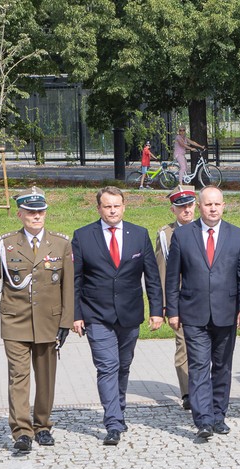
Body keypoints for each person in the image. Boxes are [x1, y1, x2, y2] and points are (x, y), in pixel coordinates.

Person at [0, 188, 73, 453]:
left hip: (49, 322)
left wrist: (66, 322)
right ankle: (22, 432)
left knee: (46, 377)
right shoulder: (6, 244)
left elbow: (68, 286)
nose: (36, 216)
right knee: (19, 377)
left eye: (40, 211)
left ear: (46, 212)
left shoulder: (61, 243)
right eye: (30, 212)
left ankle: (43, 426)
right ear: (20, 214)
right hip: (15, 321)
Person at [72, 186, 163, 446]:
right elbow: (75, 281)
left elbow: (152, 278)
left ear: (124, 206)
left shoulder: (139, 235)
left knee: (123, 366)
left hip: (130, 314)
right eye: (107, 206)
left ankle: (118, 409)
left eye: (116, 206)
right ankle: (112, 422)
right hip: (96, 314)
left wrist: (157, 310)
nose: (112, 210)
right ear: (98, 208)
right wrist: (76, 315)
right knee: (107, 366)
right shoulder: (82, 236)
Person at [165, 186, 240, 439]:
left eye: (217, 204)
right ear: (199, 207)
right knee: (199, 366)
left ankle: (218, 415)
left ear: (224, 206)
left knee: (222, 367)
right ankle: (203, 419)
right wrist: (172, 311)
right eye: (207, 204)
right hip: (193, 314)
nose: (213, 208)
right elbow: (172, 278)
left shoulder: (236, 236)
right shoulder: (183, 236)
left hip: (227, 313)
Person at [155, 185, 197, 410]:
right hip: (179, 300)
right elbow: (162, 271)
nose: (187, 210)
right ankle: (188, 392)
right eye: (181, 207)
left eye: (190, 205)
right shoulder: (166, 235)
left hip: (203, 300)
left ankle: (203, 387)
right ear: (173, 209)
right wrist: (164, 306)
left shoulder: (205, 228)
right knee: (183, 345)